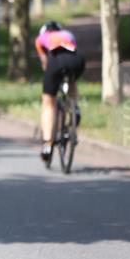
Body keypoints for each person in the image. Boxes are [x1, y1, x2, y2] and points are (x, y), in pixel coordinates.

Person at [35, 20, 86, 163]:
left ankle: (47, 145)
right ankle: (74, 108)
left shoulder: (41, 38)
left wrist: (51, 81)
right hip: (77, 60)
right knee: (72, 81)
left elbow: (45, 63)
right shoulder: (68, 34)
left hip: (56, 60)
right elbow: (72, 49)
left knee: (48, 103)